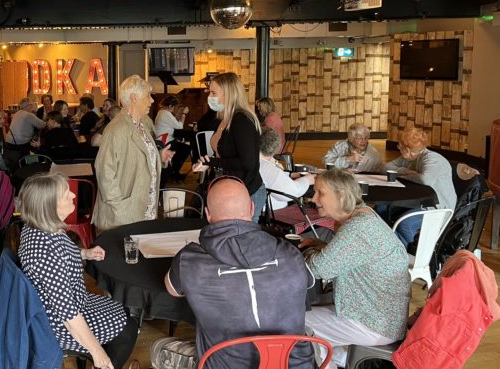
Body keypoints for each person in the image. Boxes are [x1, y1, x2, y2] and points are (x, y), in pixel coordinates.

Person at [165, 177, 314, 369]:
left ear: (208, 214)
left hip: (223, 365)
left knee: (161, 348)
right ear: (252, 209)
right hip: (297, 365)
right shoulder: (290, 254)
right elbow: (309, 282)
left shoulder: (189, 260)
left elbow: (172, 290)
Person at [18, 173, 138, 369]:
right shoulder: (46, 253)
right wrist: (97, 351)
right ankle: (106, 365)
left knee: (122, 306)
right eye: (66, 194)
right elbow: (69, 315)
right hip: (57, 325)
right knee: (129, 328)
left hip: (68, 305)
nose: (73, 196)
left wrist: (84, 253)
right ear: (49, 206)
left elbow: (62, 254)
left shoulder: (38, 228)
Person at [301, 169, 410, 368]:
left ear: (341, 195)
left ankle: (331, 360)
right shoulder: (364, 215)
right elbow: (354, 256)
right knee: (306, 312)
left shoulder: (358, 228)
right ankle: (336, 359)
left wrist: (305, 252)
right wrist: (322, 247)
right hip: (379, 315)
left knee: (294, 322)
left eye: (320, 193)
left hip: (373, 323)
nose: (313, 198)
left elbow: (318, 269)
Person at [94, 75, 174, 231]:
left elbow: (138, 156)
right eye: (148, 96)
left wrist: (158, 156)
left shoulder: (143, 124)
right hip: (124, 214)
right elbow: (104, 172)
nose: (152, 100)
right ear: (134, 98)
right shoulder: (117, 129)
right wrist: (120, 208)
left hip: (143, 208)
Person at [193, 72, 265, 222]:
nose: (209, 97)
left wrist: (213, 162)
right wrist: (207, 163)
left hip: (245, 191)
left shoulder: (242, 120)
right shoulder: (225, 119)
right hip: (228, 189)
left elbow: (248, 162)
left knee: (242, 240)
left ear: (229, 94)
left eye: (214, 92)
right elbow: (225, 156)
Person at [382, 127, 456, 247]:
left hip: (438, 207)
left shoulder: (432, 159)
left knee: (405, 224)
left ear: (407, 149)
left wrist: (406, 175)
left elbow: (425, 179)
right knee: (381, 209)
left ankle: (416, 253)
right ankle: (390, 246)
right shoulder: (409, 159)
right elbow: (385, 167)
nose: (398, 148)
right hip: (421, 202)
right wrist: (406, 171)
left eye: (399, 146)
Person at [258, 127, 315, 210]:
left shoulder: (254, 161)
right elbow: (292, 192)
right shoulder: (265, 166)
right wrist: (307, 180)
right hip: (272, 213)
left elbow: (272, 179)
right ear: (275, 149)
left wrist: (290, 174)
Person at [155, 95, 191, 182]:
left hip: (166, 139)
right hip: (164, 141)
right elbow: (179, 126)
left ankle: (174, 171)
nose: (174, 109)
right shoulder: (165, 113)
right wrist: (184, 114)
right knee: (185, 148)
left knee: (183, 147)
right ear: (171, 106)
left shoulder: (162, 112)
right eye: (175, 107)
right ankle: (174, 172)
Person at [5, 99, 47, 169]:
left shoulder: (17, 113)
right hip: (20, 144)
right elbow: (42, 125)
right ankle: (35, 167)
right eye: (31, 105)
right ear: (28, 106)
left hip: (9, 142)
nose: (32, 106)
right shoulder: (28, 115)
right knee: (38, 146)